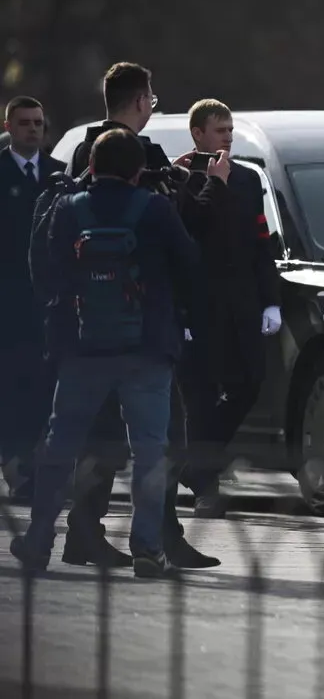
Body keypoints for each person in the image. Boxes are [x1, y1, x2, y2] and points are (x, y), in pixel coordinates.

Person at [44, 62, 220, 569]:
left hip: (87, 327)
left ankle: (75, 532)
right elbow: (182, 237)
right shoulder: (142, 156)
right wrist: (209, 183)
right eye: (152, 99)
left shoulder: (86, 150)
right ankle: (160, 536)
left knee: (94, 436)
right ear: (141, 100)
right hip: (145, 330)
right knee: (162, 438)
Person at [10, 129, 201, 577]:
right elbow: (189, 264)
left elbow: (44, 271)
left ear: (90, 166)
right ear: (138, 170)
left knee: (62, 444)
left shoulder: (68, 208)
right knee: (151, 448)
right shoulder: (156, 208)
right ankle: (147, 547)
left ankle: (39, 540)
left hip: (82, 347)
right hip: (147, 348)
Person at [174, 99, 282, 518]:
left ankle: (194, 465)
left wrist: (270, 300)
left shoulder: (247, 180)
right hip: (199, 303)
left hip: (241, 301)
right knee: (199, 398)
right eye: (220, 131)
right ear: (198, 133)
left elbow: (260, 243)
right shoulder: (179, 177)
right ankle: (206, 489)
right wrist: (180, 311)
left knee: (250, 383)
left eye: (231, 131)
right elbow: (187, 235)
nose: (228, 138)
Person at [0, 97, 65, 501]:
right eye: (24, 123)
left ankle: (33, 463)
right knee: (11, 384)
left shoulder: (58, 175)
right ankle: (15, 463)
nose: (33, 129)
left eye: (38, 122)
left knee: (45, 386)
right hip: (8, 300)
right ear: (8, 125)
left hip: (49, 300)